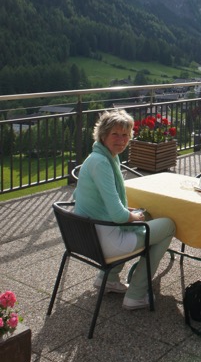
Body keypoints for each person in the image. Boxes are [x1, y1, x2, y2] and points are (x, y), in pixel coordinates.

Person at [74, 109, 176, 311]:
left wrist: (133, 213)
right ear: (103, 135)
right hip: (106, 242)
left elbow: (86, 198)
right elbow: (118, 216)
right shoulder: (102, 163)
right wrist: (135, 215)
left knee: (145, 217)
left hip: (88, 238)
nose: (121, 140)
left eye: (125, 135)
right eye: (115, 134)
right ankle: (136, 294)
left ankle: (108, 279)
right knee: (168, 226)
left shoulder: (97, 157)